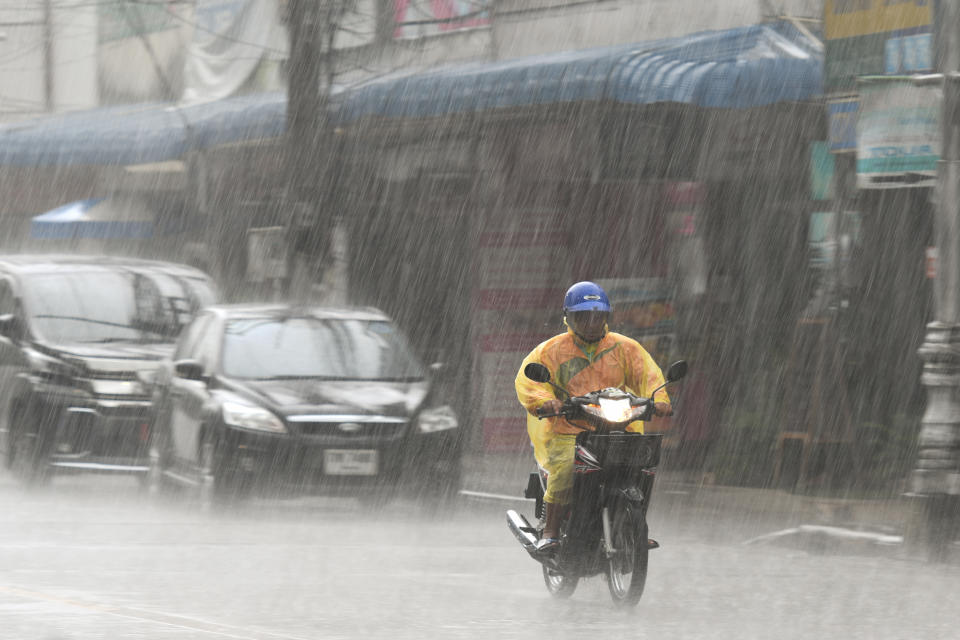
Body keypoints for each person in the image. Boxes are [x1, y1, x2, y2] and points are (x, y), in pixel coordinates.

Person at [514, 281, 672, 552]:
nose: (591, 322)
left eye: (597, 316)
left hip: (619, 428)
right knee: (564, 471)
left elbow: (649, 375)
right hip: (569, 430)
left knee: (643, 466)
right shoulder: (550, 350)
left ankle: (635, 524)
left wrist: (659, 400)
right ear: (568, 318)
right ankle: (551, 531)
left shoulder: (625, 347)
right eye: (583, 316)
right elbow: (530, 381)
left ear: (606, 317)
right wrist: (544, 402)